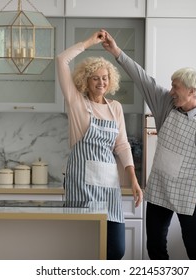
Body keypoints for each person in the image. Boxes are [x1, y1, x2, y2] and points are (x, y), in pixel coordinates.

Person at [102, 30, 196, 260]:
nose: (171, 91)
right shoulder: (166, 103)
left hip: (187, 192)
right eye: (171, 86)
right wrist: (116, 52)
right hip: (159, 188)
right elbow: (142, 78)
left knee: (194, 248)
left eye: (176, 87)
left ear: (192, 91)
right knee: (155, 247)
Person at [56, 31, 143, 260]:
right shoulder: (76, 103)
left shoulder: (115, 108)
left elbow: (122, 146)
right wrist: (89, 42)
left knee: (115, 250)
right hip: (80, 186)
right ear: (85, 80)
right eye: (95, 77)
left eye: (105, 77)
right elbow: (61, 60)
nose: (101, 82)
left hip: (108, 187)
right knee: (83, 250)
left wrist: (133, 180)